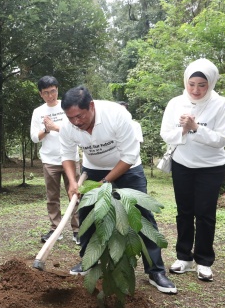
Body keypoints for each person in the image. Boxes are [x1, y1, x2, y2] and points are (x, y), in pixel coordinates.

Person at [60, 85, 177, 294]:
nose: (76, 122)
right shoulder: (69, 126)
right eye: (71, 118)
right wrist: (72, 182)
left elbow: (129, 156)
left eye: (80, 116)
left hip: (128, 168)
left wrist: (104, 183)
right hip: (93, 169)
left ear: (92, 106)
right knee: (87, 215)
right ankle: (89, 261)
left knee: (142, 216)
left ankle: (156, 271)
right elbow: (67, 155)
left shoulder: (116, 115)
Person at [159, 58, 225, 282]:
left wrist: (195, 128)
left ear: (211, 83)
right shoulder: (175, 103)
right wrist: (183, 128)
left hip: (211, 167)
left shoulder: (221, 104)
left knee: (206, 214)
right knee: (184, 212)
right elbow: (166, 133)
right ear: (185, 82)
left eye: (202, 84)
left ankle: (204, 261)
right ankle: (184, 257)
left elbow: (221, 139)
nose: (196, 89)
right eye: (192, 84)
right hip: (183, 165)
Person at [30, 76, 79, 244]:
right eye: (46, 93)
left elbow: (75, 129)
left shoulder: (67, 106)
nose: (50, 96)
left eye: (53, 91)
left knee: (75, 194)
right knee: (52, 197)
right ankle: (55, 229)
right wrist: (46, 129)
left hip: (70, 157)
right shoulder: (38, 112)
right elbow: (35, 137)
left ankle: (78, 229)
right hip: (50, 159)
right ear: (41, 94)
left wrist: (55, 127)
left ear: (57, 90)